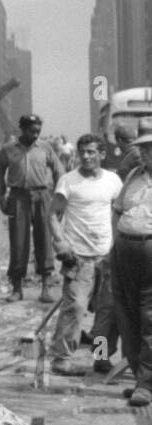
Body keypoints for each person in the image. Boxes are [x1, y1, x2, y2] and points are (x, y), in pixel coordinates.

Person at [46, 134, 124, 377]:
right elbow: (53, 215)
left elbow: (119, 213)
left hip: (106, 256)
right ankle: (62, 359)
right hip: (78, 257)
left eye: (92, 152)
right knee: (76, 307)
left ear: (102, 154)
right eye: (83, 152)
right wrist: (61, 242)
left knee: (106, 313)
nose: (87, 156)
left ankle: (101, 358)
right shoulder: (68, 181)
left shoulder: (113, 181)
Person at [0, 114, 63, 302]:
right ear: (22, 130)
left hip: (42, 196)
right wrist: (2, 198)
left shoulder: (46, 148)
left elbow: (59, 172)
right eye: (32, 131)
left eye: (38, 131)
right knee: (18, 242)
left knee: (44, 241)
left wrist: (59, 199)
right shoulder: (8, 150)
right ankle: (17, 289)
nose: (35, 135)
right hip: (18, 197)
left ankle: (46, 289)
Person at [110, 122, 152, 407]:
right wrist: (112, 250)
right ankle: (138, 375)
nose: (148, 154)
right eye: (145, 149)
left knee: (149, 317)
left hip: (150, 249)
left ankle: (147, 384)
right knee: (126, 314)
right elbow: (117, 211)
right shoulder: (135, 175)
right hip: (123, 249)